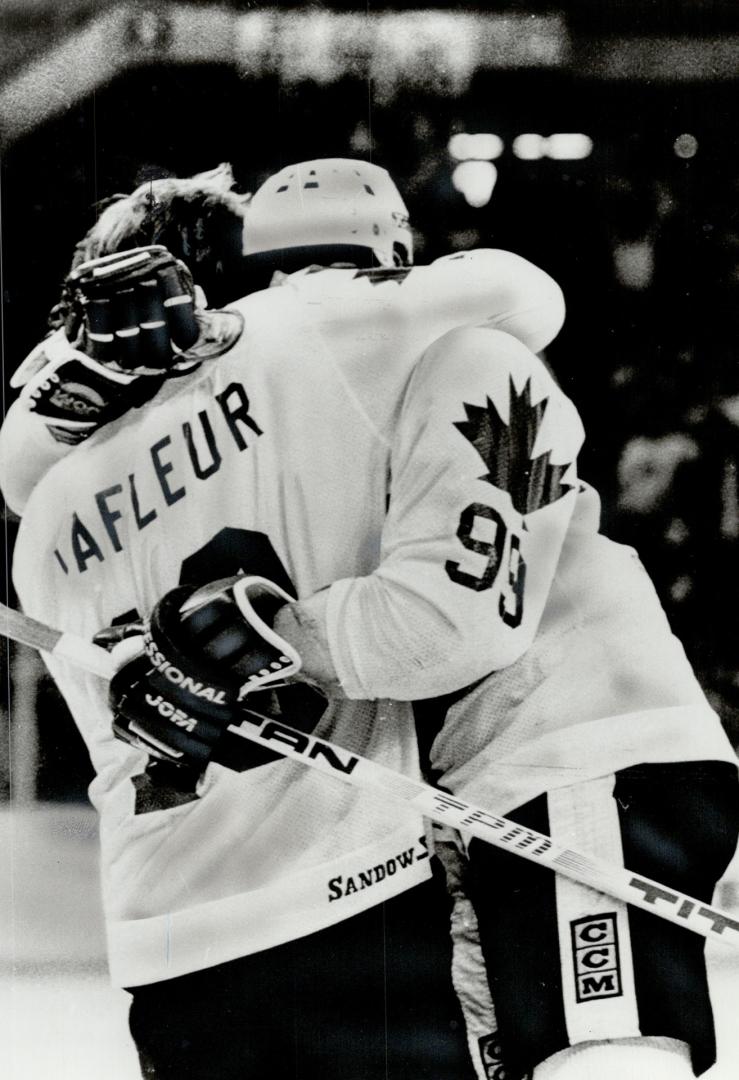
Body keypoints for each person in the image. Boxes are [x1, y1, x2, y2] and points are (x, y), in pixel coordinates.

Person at [2, 158, 568, 1079]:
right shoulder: (301, 348)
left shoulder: (45, 506)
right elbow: (521, 296)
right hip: (346, 892)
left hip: (163, 939)